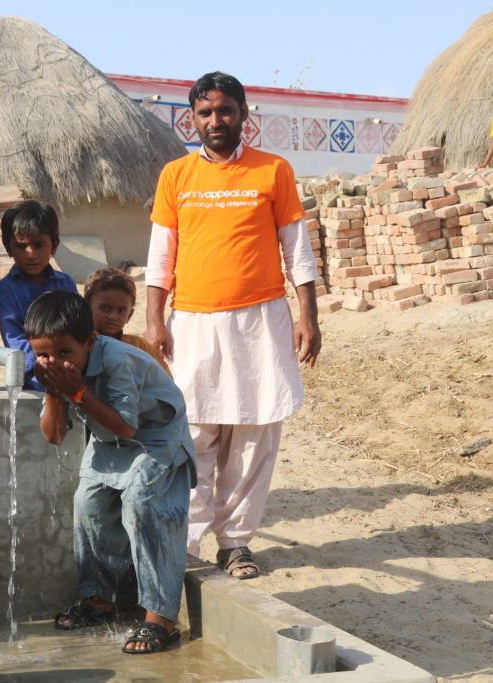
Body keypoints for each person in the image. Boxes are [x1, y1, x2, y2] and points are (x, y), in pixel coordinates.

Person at [144, 71, 320, 580]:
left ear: (244, 114)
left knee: (253, 432)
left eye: (225, 110)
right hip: (192, 322)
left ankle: (236, 543)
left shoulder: (274, 171)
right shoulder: (175, 175)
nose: (216, 120)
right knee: (194, 432)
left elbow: (297, 250)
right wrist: (154, 320)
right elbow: (160, 257)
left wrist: (308, 316)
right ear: (192, 120)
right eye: (205, 113)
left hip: (261, 321)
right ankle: (187, 543)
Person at [27, 290, 195, 654]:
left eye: (65, 353)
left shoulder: (118, 360)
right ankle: (98, 599)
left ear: (90, 341)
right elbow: (54, 436)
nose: (55, 361)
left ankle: (161, 618)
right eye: (43, 355)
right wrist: (54, 391)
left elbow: (127, 427)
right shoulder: (57, 372)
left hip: (155, 438)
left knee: (142, 503)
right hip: (108, 439)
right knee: (87, 503)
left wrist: (76, 392)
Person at [0, 200, 77, 390]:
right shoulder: (6, 290)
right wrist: (45, 364)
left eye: (39, 244)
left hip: (69, 369)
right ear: (8, 248)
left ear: (54, 246)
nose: (31, 253)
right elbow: (14, 340)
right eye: (21, 246)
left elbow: (77, 330)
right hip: (32, 377)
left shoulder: (66, 284)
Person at [84, 267, 170, 375]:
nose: (113, 316)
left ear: (129, 315)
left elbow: (163, 379)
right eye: (105, 308)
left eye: (121, 311)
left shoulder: (140, 347)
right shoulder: (80, 345)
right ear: (87, 307)